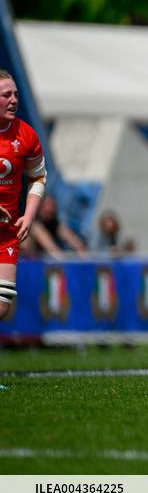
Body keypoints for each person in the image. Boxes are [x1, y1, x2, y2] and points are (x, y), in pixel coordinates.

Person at [0, 70, 48, 322]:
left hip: (6, 233)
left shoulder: (26, 135)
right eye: (6, 94)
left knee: (2, 306)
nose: (14, 100)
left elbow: (38, 177)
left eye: (16, 94)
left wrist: (28, 216)